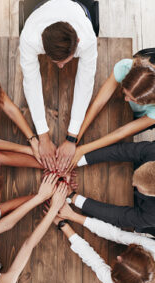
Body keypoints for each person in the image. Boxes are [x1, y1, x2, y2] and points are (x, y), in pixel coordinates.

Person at [19, 0, 97, 172]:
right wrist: (43, 136)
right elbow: (31, 82)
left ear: (77, 41)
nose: (61, 67)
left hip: (77, 9)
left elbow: (85, 84)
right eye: (56, 62)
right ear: (42, 44)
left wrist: (72, 137)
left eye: (65, 61)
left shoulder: (88, 39)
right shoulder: (29, 38)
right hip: (41, 9)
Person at [47, 202, 155, 283]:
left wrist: (63, 225)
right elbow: (116, 234)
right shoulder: (153, 248)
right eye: (124, 256)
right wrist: (72, 215)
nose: (119, 257)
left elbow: (94, 261)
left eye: (119, 261)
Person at [68, 56, 155, 170]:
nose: (126, 99)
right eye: (125, 93)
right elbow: (98, 103)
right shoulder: (126, 67)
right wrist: (74, 139)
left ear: (148, 100)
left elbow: (121, 132)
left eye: (133, 99)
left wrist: (82, 149)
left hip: (138, 118)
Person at [68, 139, 155, 238]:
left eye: (136, 185)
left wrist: (74, 198)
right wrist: (79, 160)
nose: (132, 183)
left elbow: (120, 217)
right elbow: (123, 150)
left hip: (149, 211)